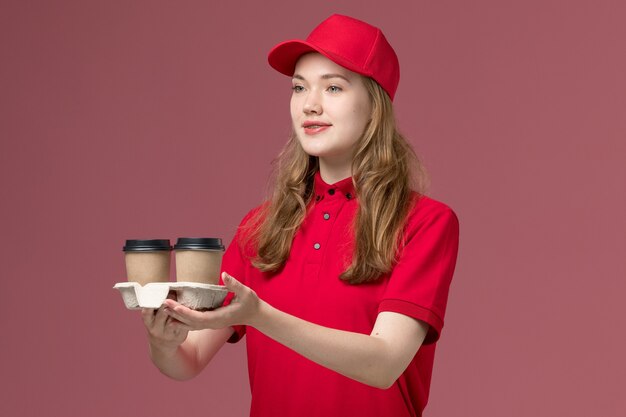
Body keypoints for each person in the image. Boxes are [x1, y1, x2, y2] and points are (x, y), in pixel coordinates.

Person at [141, 14, 460, 417]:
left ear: (375, 103)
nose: (310, 104)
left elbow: (384, 363)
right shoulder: (260, 227)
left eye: (332, 87)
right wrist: (163, 341)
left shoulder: (425, 223)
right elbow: (188, 361)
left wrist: (260, 315)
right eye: (299, 87)